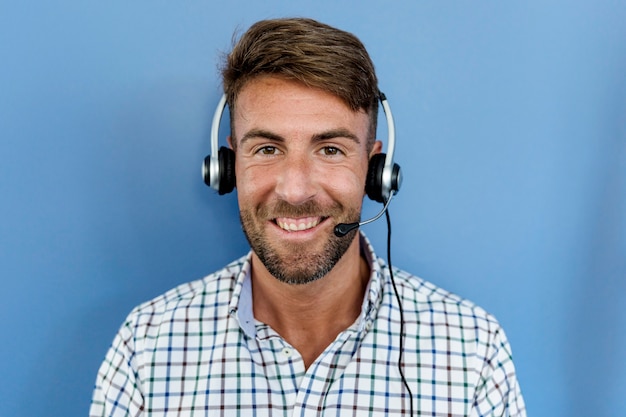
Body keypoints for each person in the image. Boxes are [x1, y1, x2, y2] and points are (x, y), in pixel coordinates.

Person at [90, 17, 526, 416]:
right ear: (227, 166)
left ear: (376, 171)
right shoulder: (146, 346)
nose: (295, 190)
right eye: (267, 149)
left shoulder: (471, 349)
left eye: (330, 149)